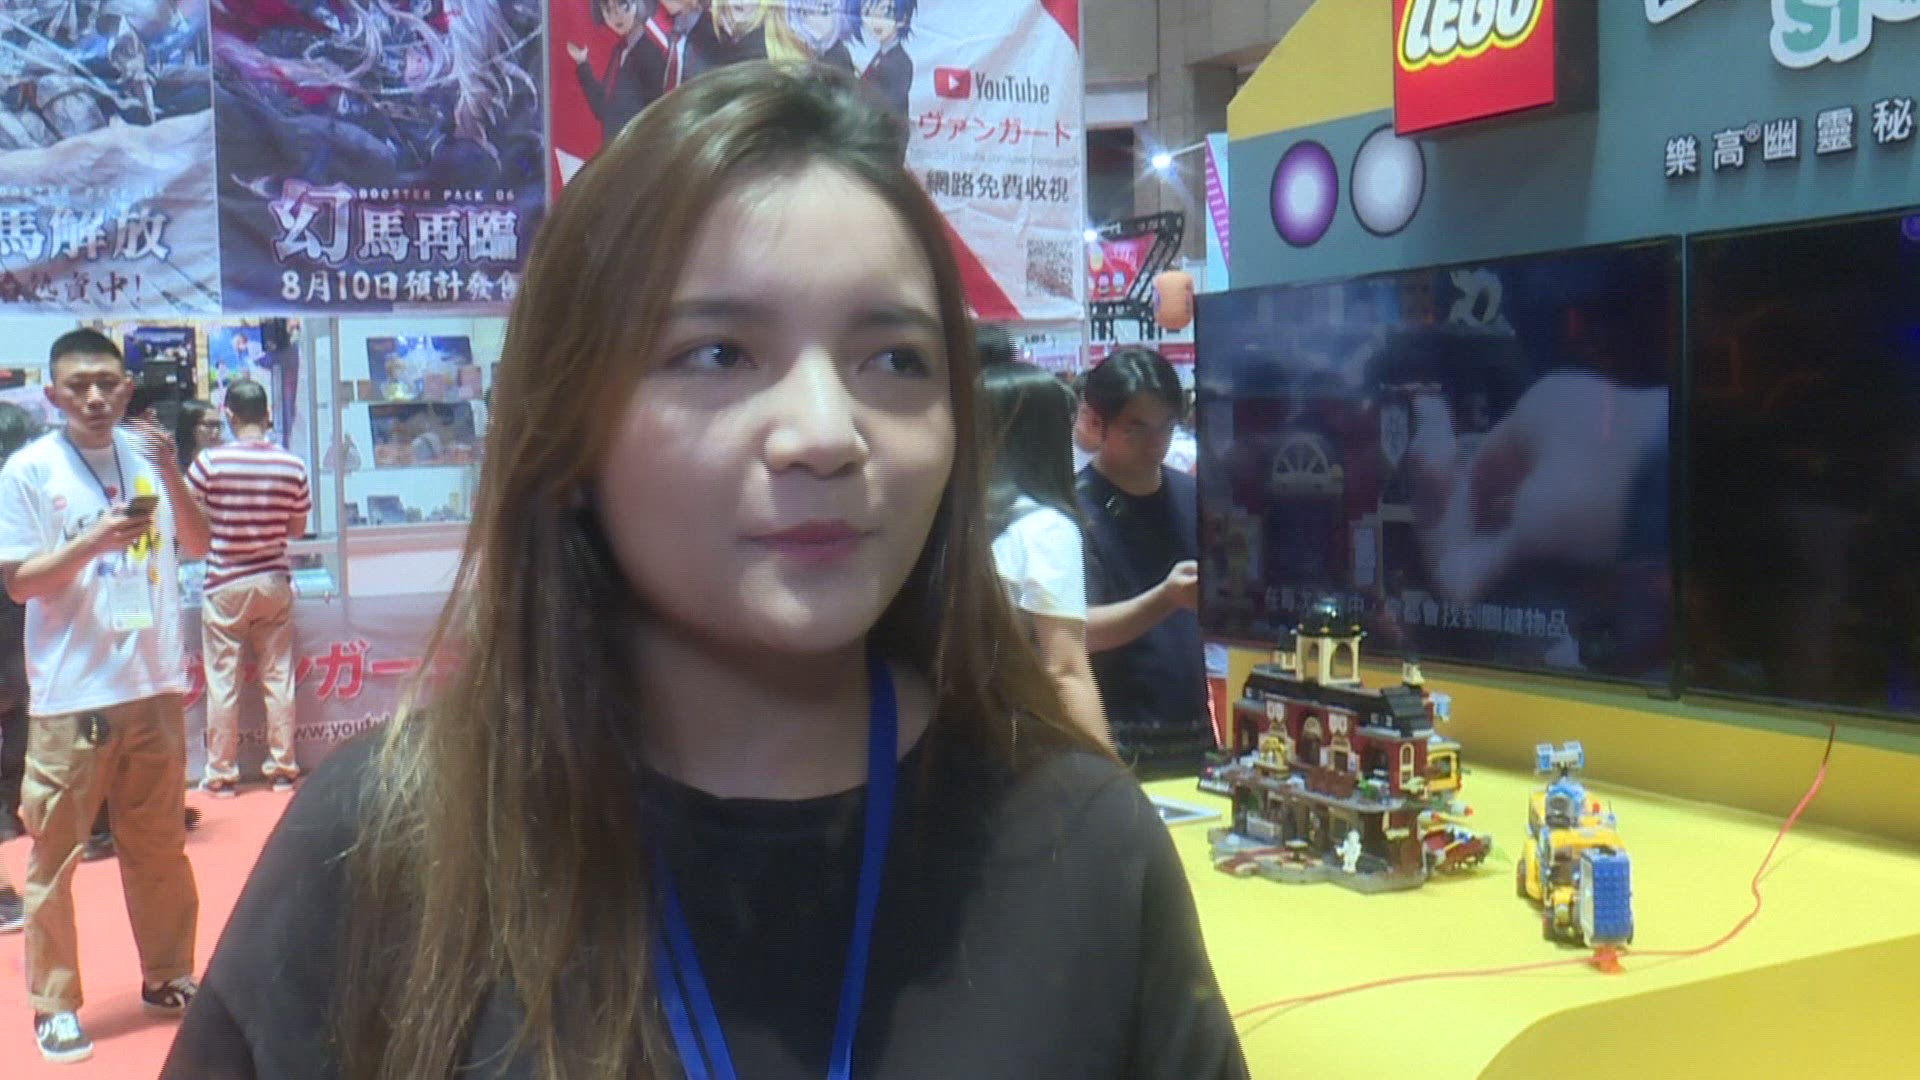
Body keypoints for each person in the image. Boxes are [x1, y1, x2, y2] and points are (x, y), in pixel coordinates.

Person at [162, 64, 1245, 1080]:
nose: (825, 433)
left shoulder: (1080, 847)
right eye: (719, 354)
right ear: (571, 425)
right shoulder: (387, 847)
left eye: (894, 360)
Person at [0, 328, 208, 1064]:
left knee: (159, 846)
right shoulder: (29, 469)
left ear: (126, 389)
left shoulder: (148, 457)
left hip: (152, 683)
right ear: (53, 394)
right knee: (54, 857)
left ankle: (168, 974)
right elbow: (20, 583)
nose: (94, 397)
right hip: (71, 694)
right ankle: (54, 1004)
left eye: (106, 383)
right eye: (78, 385)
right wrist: (95, 541)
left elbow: (199, 542)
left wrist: (173, 471)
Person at [1077, 347, 1211, 778]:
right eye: (1135, 429)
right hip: (1112, 737)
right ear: (1096, 423)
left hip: (1192, 730)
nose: (1156, 444)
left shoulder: (1193, 496)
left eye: (1166, 427)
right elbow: (1076, 630)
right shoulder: (1073, 510)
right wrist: (1166, 598)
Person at [187, 380, 313, 798]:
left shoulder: (209, 463)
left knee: (223, 680)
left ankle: (222, 774)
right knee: (278, 677)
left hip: (225, 581)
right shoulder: (292, 465)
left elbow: (188, 521)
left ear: (229, 415)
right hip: (274, 580)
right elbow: (297, 529)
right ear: (267, 414)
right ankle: (283, 769)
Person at [980, 358, 1110, 747]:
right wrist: (1108, 773)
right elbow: (1065, 669)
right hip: (1013, 738)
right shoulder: (1044, 528)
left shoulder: (950, 517)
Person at [0, 400, 39, 843]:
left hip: (16, 614)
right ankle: (5, 810)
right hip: (16, 617)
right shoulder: (23, 493)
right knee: (19, 717)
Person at [566, 0, 659, 146]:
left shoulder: (650, 54)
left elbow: (657, 117)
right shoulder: (619, 52)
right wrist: (582, 62)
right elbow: (603, 107)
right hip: (616, 152)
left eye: (622, 4)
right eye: (607, 10)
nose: (615, 15)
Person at [856, 0, 915, 116]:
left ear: (903, 19)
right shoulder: (880, 54)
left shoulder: (901, 62)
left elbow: (892, 104)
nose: (877, 22)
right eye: (869, 14)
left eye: (886, 13)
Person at [175, 398, 224, 473]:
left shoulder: (224, 460)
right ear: (190, 426)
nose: (216, 431)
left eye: (218, 425)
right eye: (210, 424)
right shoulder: (171, 461)